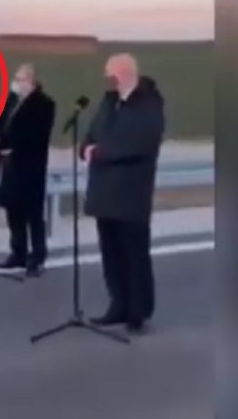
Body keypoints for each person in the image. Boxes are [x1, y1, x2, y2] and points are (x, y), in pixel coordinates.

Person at [82, 53, 165, 334]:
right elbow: (93, 132)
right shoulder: (109, 102)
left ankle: (137, 312)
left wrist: (99, 152)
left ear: (125, 72)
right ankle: (118, 304)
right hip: (104, 191)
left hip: (131, 192)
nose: (108, 78)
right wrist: (86, 147)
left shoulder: (149, 103)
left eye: (111, 73)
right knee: (111, 254)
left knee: (134, 254)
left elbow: (139, 142)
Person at [0, 64, 56, 277]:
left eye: (20, 80)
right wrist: (8, 99)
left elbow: (37, 135)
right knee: (14, 212)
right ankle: (18, 253)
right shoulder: (12, 102)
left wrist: (13, 145)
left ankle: (37, 257)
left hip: (30, 167)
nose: (17, 83)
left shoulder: (44, 104)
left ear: (31, 81)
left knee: (33, 215)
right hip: (9, 166)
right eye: (16, 79)